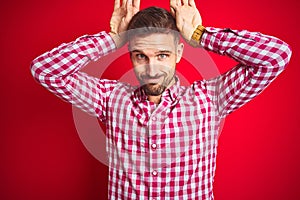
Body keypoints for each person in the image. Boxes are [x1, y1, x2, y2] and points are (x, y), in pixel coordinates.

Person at [30, 0, 292, 199]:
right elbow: (45, 70)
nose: (151, 68)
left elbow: (276, 57)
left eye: (162, 55)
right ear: (130, 53)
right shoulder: (109, 98)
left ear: (179, 51)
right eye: (140, 55)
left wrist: (200, 34)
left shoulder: (210, 98)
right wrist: (112, 39)